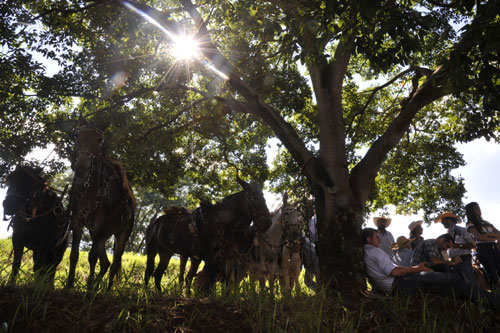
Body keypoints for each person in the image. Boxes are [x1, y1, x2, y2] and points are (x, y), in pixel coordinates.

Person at [362, 228, 500, 307]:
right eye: (376, 237)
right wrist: (417, 269)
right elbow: (394, 271)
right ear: (368, 240)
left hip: (402, 282)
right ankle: (491, 300)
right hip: (401, 283)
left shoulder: (370, 251)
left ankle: (485, 300)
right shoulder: (374, 251)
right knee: (455, 278)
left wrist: (417, 269)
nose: (379, 239)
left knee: (453, 284)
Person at [465, 202, 500, 291]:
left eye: (479, 207)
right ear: (471, 211)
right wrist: (492, 236)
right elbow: (479, 237)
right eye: (476, 208)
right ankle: (495, 297)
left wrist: (487, 235)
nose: (479, 209)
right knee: (492, 273)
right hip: (483, 249)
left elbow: (499, 234)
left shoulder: (486, 222)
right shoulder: (470, 223)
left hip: (494, 247)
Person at [435, 211, 476, 284]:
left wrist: (459, 246)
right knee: (457, 282)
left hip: (464, 258)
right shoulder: (446, 234)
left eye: (444, 220)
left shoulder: (463, 230)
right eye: (442, 221)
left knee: (468, 280)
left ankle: (475, 294)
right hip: (453, 261)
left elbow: (472, 245)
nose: (442, 223)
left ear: (450, 220)